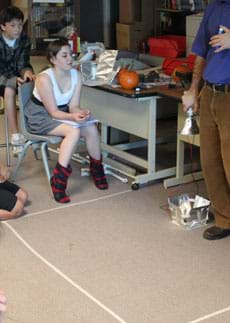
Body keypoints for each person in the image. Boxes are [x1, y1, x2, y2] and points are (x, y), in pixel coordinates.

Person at [25, 38, 108, 204]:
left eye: (70, 54)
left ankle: (97, 170)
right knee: (73, 131)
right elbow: (53, 112)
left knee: (91, 127)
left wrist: (81, 113)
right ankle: (59, 181)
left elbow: (73, 106)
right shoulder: (44, 79)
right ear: (53, 59)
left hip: (62, 114)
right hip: (40, 116)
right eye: (64, 55)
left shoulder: (77, 75)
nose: (70, 58)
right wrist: (73, 117)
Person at [182, 0, 230, 240]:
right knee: (211, 162)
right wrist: (193, 89)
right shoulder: (213, 8)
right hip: (210, 92)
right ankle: (224, 218)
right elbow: (201, 51)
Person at [0, 6, 35, 155]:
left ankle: (35, 132)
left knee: (35, 84)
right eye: (13, 25)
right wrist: (14, 80)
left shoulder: (24, 39)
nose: (17, 29)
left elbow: (23, 63)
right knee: (9, 90)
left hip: (17, 75)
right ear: (2, 26)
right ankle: (16, 136)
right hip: (2, 77)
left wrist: (26, 72)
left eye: (20, 25)